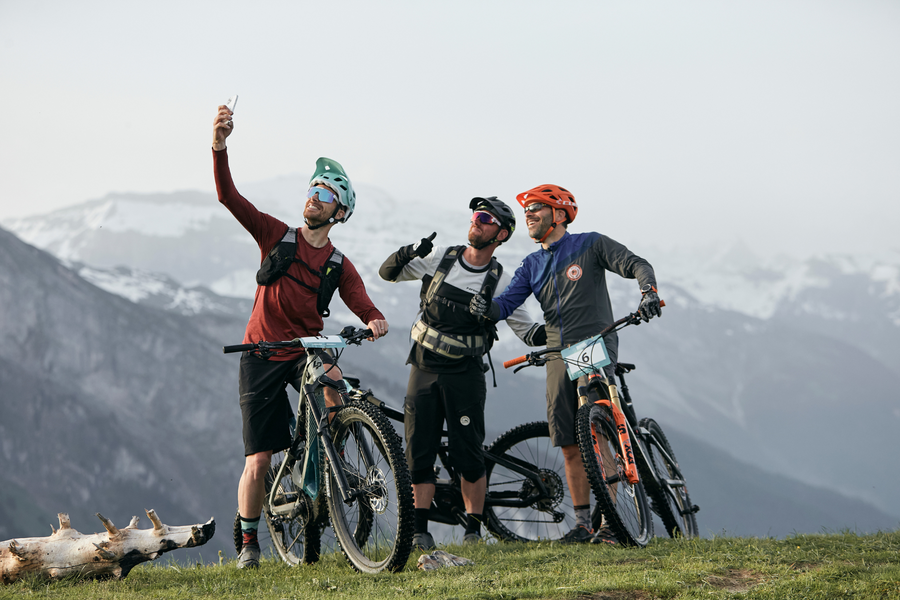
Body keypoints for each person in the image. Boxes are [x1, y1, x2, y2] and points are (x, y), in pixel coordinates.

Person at [212, 104, 390, 568]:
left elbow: (362, 301)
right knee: (258, 460)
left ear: (340, 211)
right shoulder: (276, 236)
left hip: (304, 351)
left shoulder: (337, 263)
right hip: (261, 354)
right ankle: (249, 543)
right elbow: (230, 198)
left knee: (335, 381)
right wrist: (220, 146)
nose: (314, 197)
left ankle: (334, 453)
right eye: (312, 189)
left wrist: (375, 319)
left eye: (325, 193)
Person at [469, 184, 661, 545]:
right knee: (570, 443)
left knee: (596, 427)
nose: (528, 215)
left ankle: (609, 526)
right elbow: (507, 304)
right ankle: (583, 524)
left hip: (594, 340)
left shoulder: (590, 244)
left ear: (559, 214)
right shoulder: (531, 264)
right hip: (557, 351)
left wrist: (648, 291)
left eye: (536, 208)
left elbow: (637, 264)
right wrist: (486, 310)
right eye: (526, 210)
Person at [378, 197, 545, 550]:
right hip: (423, 368)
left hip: (465, 375)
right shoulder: (441, 260)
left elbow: (528, 332)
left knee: (468, 454)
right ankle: (419, 532)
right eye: (475, 216)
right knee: (418, 452)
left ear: (500, 234)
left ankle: (473, 531)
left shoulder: (501, 282)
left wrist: (564, 330)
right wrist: (409, 251)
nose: (476, 222)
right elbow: (387, 274)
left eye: (485, 219)